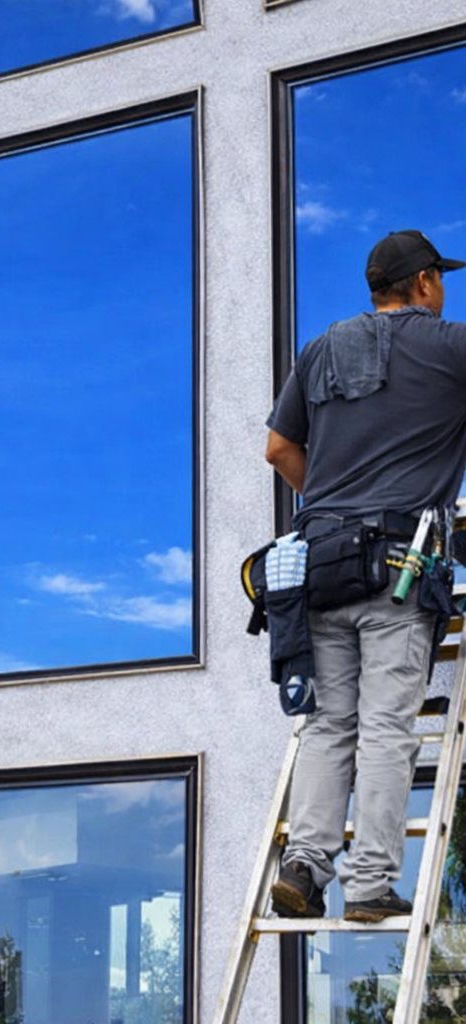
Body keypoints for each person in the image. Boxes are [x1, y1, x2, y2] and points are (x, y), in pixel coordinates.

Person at [265, 229, 466, 922]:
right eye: (441, 278)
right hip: (396, 571)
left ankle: (304, 866)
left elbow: (280, 448)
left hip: (317, 565)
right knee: (385, 727)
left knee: (326, 725)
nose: (444, 291)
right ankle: (371, 884)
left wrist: (329, 504)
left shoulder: (320, 349)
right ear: (422, 284)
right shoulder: (449, 346)